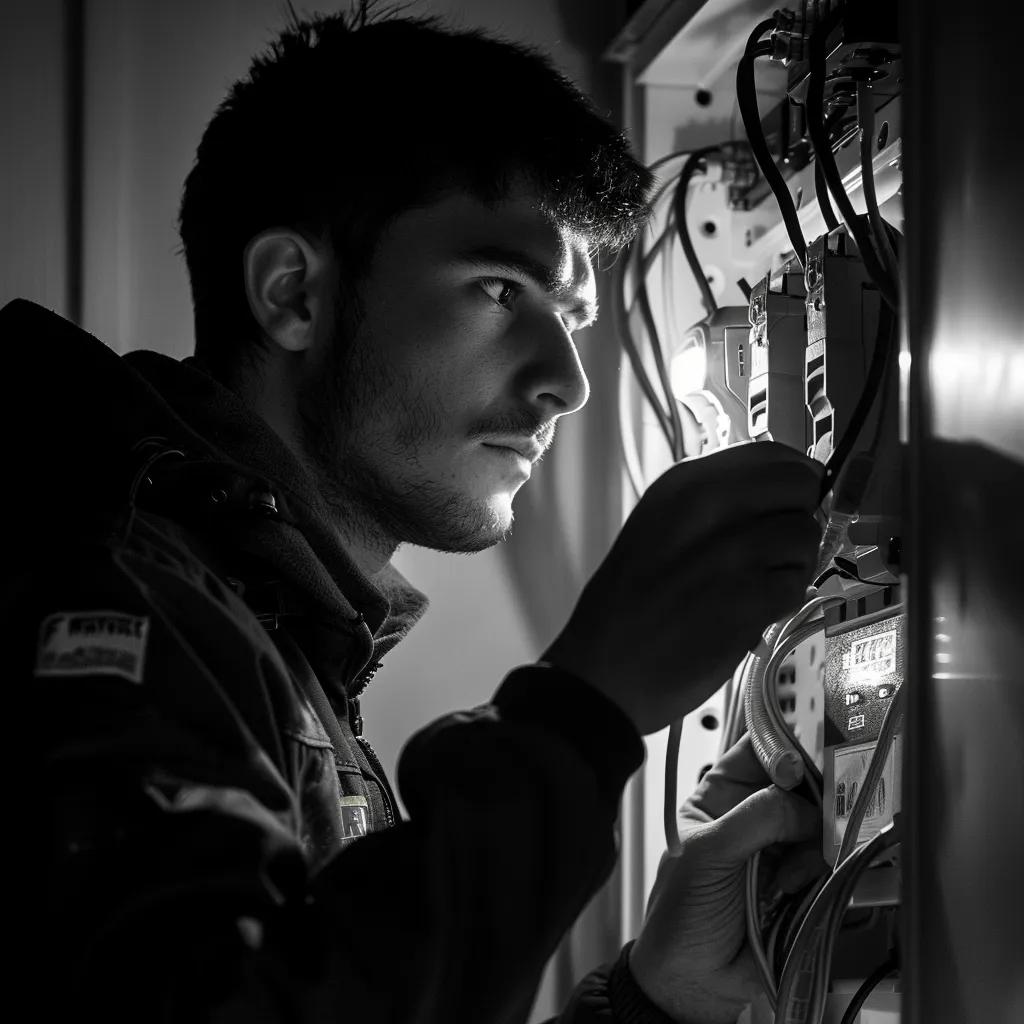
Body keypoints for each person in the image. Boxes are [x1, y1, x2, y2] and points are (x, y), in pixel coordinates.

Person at [6, 7, 826, 1022]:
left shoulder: (270, 621)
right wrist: (582, 707)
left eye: (568, 317)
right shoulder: (103, 580)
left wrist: (656, 997)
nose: (565, 383)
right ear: (293, 294)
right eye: (498, 289)